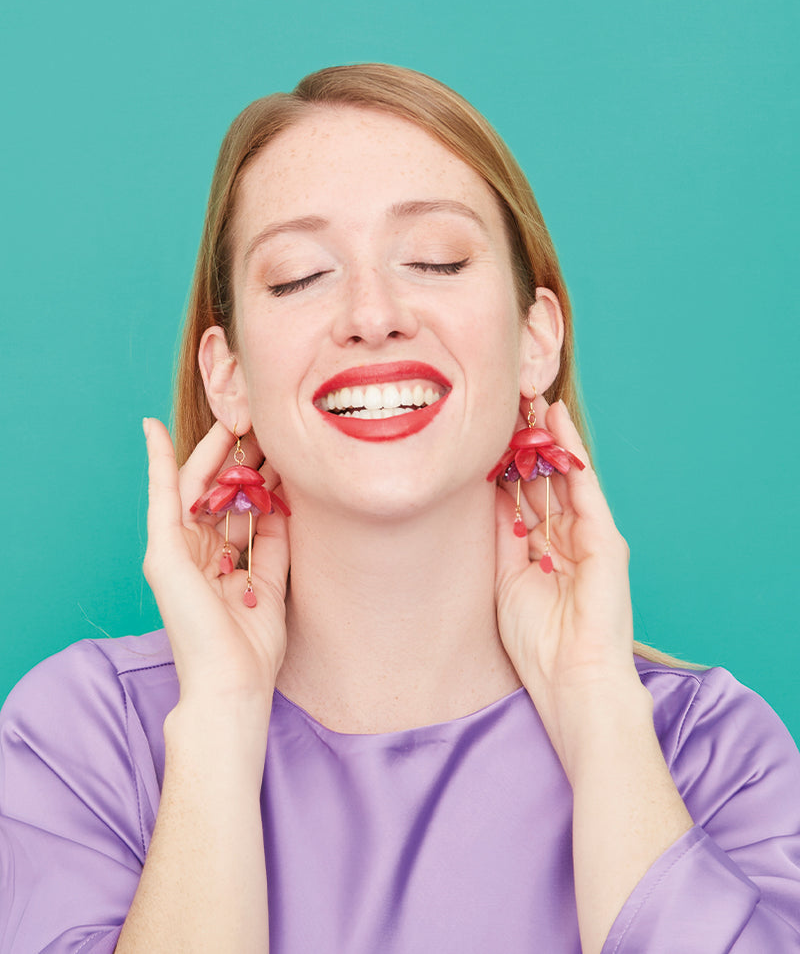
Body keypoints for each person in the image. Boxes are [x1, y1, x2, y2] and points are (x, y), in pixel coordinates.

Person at [1, 63, 799, 954]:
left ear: (536, 340)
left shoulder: (707, 748)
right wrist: (222, 719)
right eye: (300, 275)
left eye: (436, 260)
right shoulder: (83, 738)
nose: (373, 313)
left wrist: (596, 703)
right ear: (228, 375)